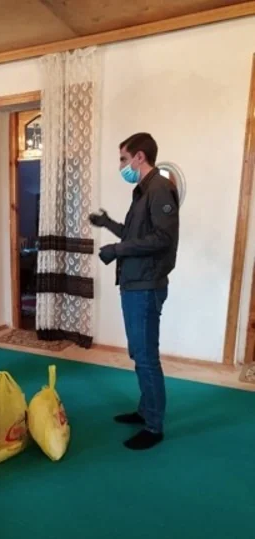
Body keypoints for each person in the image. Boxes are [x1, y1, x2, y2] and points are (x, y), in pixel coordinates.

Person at [89, 133, 179, 450]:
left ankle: (154, 427)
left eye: (124, 159)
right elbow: (134, 234)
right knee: (139, 354)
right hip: (134, 283)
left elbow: (162, 239)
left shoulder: (159, 188)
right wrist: (107, 223)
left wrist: (116, 249)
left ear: (140, 157)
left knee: (146, 357)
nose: (122, 166)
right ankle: (145, 410)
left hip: (146, 285)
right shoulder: (142, 191)